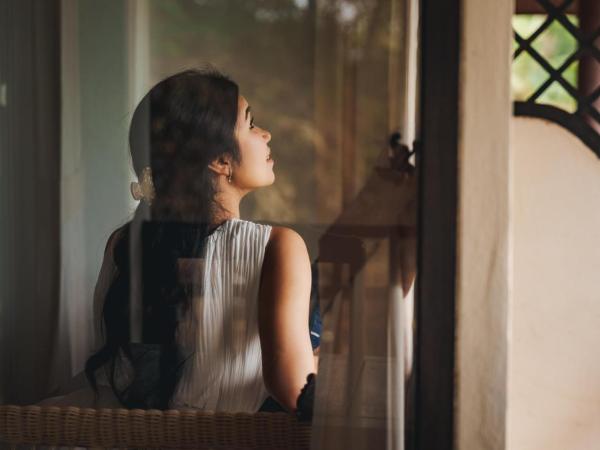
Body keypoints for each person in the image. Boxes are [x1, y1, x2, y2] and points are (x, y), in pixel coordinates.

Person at [82, 69, 319, 414]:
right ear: (220, 161)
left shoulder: (123, 242)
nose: (266, 134)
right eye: (251, 124)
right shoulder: (278, 248)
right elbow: (295, 389)